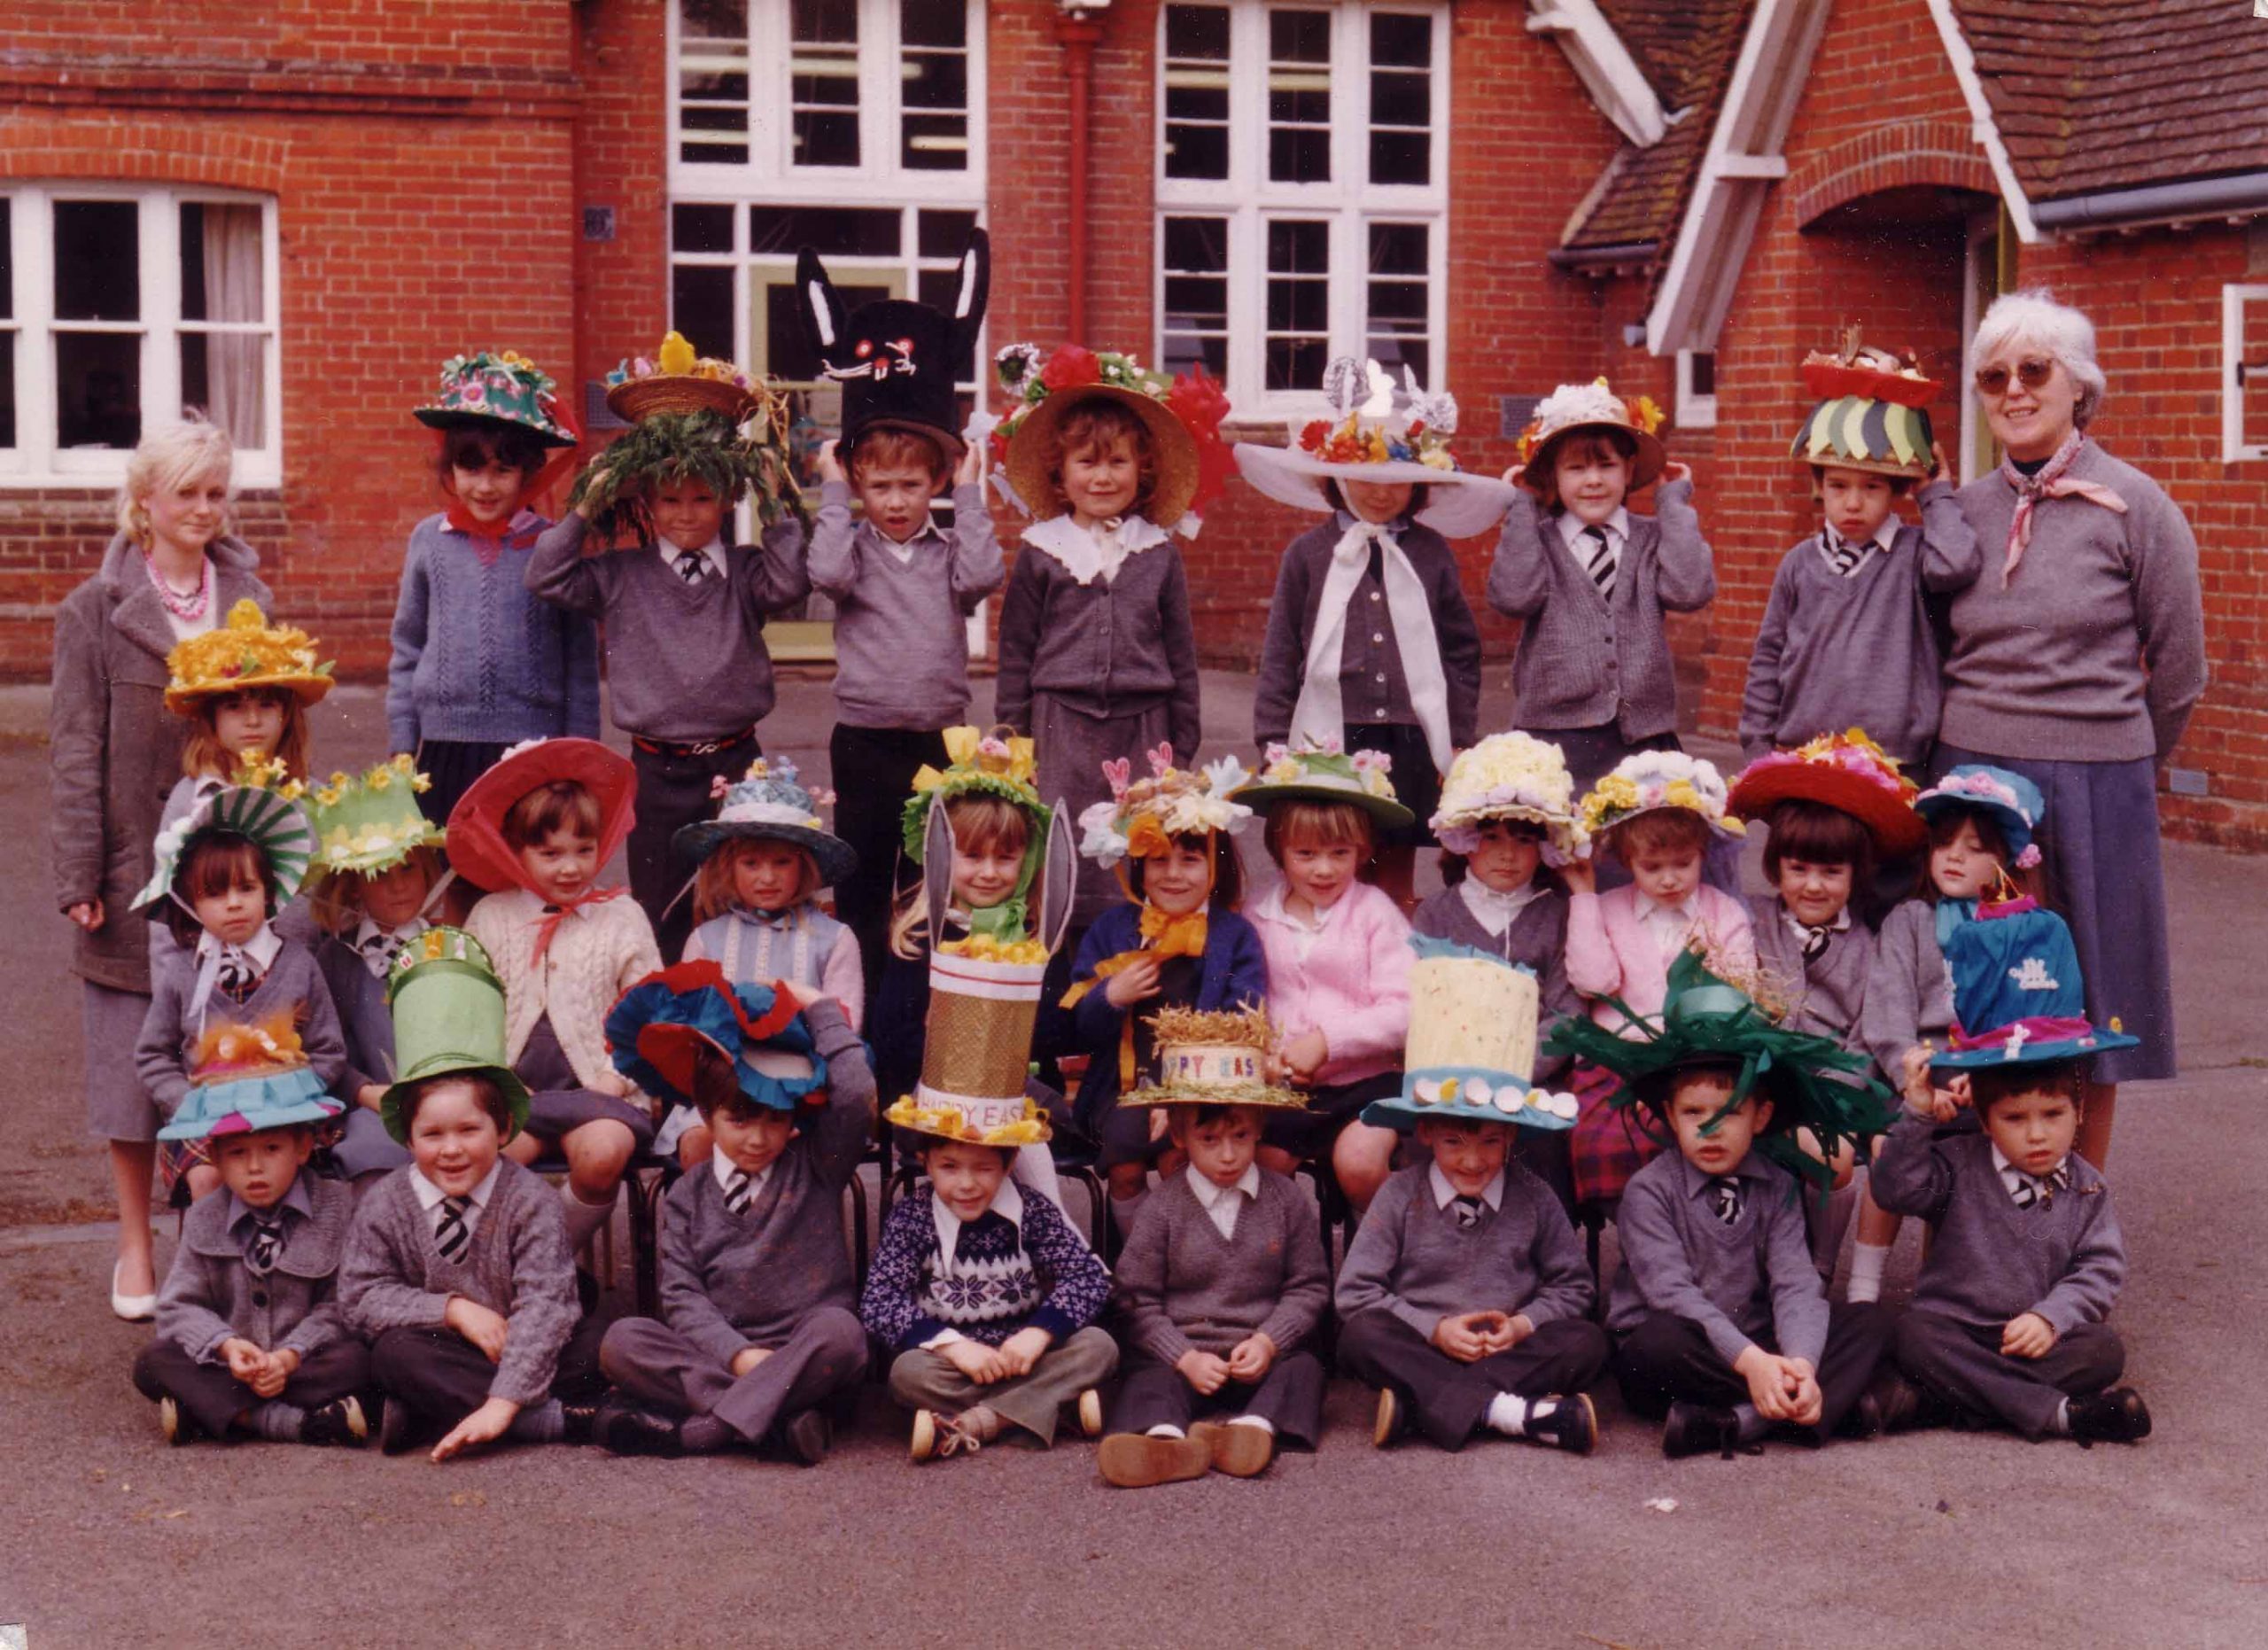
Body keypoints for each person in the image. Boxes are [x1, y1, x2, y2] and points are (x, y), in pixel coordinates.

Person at [1942, 290, 2206, 1169]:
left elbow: (2177, 671)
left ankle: (2073, 1208)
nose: (2014, 390)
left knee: (2092, 1000)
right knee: (1973, 992)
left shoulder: (2138, 507)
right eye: (1993, 376)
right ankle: (1971, 1215)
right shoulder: (1959, 512)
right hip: (1974, 785)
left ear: (2076, 385)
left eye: (2033, 369)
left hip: (2097, 784)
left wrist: (2123, 760)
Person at [51, 415, 272, 1316]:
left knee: (225, 1053)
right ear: (144, 502)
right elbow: (73, 749)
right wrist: (79, 875)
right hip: (132, 872)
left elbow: (274, 727)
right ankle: (136, 1244)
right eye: (186, 491)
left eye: (216, 491)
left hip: (233, 871)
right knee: (129, 1071)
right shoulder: (93, 610)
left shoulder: (248, 593)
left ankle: (211, 1241)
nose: (204, 509)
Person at [1549, 952, 1896, 1457]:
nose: (1710, 1130)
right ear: (1669, 1115)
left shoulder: (1776, 1184)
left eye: (1730, 1113)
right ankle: (1814, 1409)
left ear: (1761, 1116)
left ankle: (1740, 1421)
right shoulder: (1649, 1190)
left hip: (1756, 1345)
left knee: (1872, 1322)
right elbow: (1672, 1294)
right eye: (1694, 1113)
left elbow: (1795, 1282)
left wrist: (1801, 1363)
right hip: (1688, 1349)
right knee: (1656, 1344)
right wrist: (1754, 1364)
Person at [527, 336, 806, 961]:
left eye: (703, 498)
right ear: (645, 505)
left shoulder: (745, 569)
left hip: (736, 764)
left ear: (728, 500)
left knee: (739, 897)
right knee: (661, 905)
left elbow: (792, 582)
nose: (687, 515)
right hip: (654, 769)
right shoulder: (620, 574)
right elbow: (545, 577)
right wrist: (586, 505)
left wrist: (773, 498)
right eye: (671, 500)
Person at [795, 231, 1001, 999]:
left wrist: (973, 493)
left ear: (935, 482)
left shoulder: (950, 551)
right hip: (866, 742)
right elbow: (824, 572)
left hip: (938, 741)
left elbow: (984, 574)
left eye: (911, 486)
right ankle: (862, 1013)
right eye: (879, 486)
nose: (896, 502)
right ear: (860, 483)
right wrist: (834, 493)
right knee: (864, 880)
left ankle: (920, 1015)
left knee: (929, 888)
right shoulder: (856, 549)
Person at [1868, 912, 2150, 1447]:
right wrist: (1918, 1115)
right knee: (1911, 1334)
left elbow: (2100, 1270)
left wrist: (2050, 1318)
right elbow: (1894, 1190)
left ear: (2079, 1109)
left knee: (2103, 1349)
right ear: (1987, 1118)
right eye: (2015, 1120)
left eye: (2053, 1116)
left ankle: (1939, 1402)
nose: (2037, 1136)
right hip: (1953, 1331)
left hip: (2035, 1335)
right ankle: (2061, 1416)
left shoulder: (2086, 1187)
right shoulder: (1957, 1165)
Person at [1239, 357, 1505, 907]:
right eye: (1367, 478)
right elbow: (1282, 648)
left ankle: (1391, 965)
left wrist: (1458, 734)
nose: (1381, 494)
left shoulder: (1430, 554)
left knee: (1394, 867)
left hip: (1408, 734)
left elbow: (1460, 649)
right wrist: (1271, 734)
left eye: (1398, 481)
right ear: (1335, 476)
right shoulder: (1309, 556)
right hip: (1332, 732)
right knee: (1331, 858)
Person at [340, 927, 602, 1459]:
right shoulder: (387, 1202)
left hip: (517, 1336)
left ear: (503, 1129)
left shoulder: (530, 1199)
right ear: (407, 1138)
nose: (452, 1150)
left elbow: (547, 1304)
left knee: (598, 1340)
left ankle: (440, 1409)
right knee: (389, 1354)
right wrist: (454, 1310)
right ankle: (549, 1420)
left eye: (469, 1130)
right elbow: (358, 1297)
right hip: (437, 1342)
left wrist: (503, 1399)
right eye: (432, 1135)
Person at [594, 965, 874, 1461]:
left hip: (804, 1347)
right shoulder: (687, 1196)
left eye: (774, 1120)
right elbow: (682, 1297)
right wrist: (739, 1356)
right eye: (740, 1120)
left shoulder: (817, 1167)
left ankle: (704, 1432)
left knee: (842, 1334)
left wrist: (817, 1007)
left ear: (794, 1119)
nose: (758, 1138)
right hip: (724, 1354)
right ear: (705, 1115)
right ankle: (778, 1421)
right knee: (623, 1341)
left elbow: (853, 1094)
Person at [991, 342, 1226, 929]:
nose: (1103, 477)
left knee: (1137, 842)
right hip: (1060, 723)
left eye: (1118, 463)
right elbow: (1017, 652)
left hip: (1144, 723)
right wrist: (1015, 741)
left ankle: (1136, 963)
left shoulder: (1158, 552)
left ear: (1141, 471)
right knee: (1066, 844)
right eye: (1087, 464)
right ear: (1061, 474)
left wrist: (1183, 742)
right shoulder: (1044, 551)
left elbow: (1181, 655)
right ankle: (1063, 967)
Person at [1333, 947, 1604, 1455]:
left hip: (1509, 1346)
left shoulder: (1534, 1196)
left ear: (1512, 1137)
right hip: (1425, 1343)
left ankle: (1427, 1405)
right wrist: (1432, 1330)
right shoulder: (1398, 1195)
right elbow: (1355, 1293)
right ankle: (1511, 1413)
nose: (1473, 1162)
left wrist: (1523, 1323)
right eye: (1455, 1142)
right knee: (1361, 1336)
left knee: (1586, 1341)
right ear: (1427, 1133)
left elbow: (1574, 1286)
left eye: (1489, 1142)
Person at [451, 738, 664, 1264]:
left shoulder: (622, 916)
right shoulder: (492, 916)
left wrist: (620, 1077)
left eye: (583, 850)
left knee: (602, 1155)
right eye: (550, 854)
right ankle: (507, 1274)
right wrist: (494, 1078)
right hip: (515, 1096)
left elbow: (653, 1014)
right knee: (487, 1162)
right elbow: (467, 1014)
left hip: (600, 1092)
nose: (570, 868)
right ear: (514, 849)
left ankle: (551, 1270)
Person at [1098, 1008, 1328, 1487]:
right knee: (1148, 1378)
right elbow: (1134, 1298)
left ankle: (1251, 1431)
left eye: (1240, 1136)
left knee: (1304, 1367)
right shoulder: (1163, 1206)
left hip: (1258, 1352)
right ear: (1180, 1138)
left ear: (1259, 1128)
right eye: (1209, 1139)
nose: (1228, 1155)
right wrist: (1182, 1356)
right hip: (1185, 1354)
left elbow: (1308, 1286)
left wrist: (1268, 1342)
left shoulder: (1286, 1199)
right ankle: (1163, 1442)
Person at [1727, 731, 1929, 1275]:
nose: (1813, 886)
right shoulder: (1752, 921)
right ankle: (1740, 1264)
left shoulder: (1869, 946)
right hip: (1752, 1078)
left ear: (1855, 876)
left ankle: (1816, 1268)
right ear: (1776, 870)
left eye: (1831, 873)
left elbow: (1867, 1032)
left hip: (1830, 1089)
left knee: (1831, 1156)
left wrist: (1832, 1096)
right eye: (1799, 870)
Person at [1851, 763, 2045, 1304]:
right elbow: (1888, 1016)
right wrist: (1918, 1083)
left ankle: (1941, 1289)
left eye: (1975, 847)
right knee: (1893, 1147)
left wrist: (1985, 1082)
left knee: (1973, 1163)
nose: (1955, 856)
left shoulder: (2019, 929)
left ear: (2004, 860)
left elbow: (2022, 1017)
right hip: (1913, 1074)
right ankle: (1863, 1286)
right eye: (1944, 844)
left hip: (1985, 1081)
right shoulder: (1909, 921)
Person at [1739, 340, 1979, 772]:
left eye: (1871, 487)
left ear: (1899, 489)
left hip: (1896, 759)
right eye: (1838, 486)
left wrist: (1936, 494)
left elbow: (1957, 564)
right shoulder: (1798, 563)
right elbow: (1769, 655)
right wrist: (1759, 744)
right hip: (1804, 753)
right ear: (1819, 487)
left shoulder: (1916, 555)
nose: (1853, 503)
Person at [130, 1019, 366, 1447]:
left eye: (271, 1150)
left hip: (305, 1360)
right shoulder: (206, 1216)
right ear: (215, 1158)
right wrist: (226, 1346)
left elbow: (343, 1304)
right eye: (237, 1154)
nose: (255, 1168)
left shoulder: (338, 1206)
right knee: (153, 1362)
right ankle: (291, 1423)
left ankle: (214, 1413)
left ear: (302, 1147)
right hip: (232, 1365)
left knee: (362, 1360)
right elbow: (178, 1307)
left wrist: (290, 1355)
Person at [861, 1074, 1116, 1461]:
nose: (966, 1184)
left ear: (1010, 1162)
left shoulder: (1033, 1210)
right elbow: (879, 1301)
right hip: (956, 1365)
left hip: (1026, 1357)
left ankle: (978, 1422)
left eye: (983, 1168)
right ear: (925, 1160)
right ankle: (1049, 1408)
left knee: (1099, 1346)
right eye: (949, 1166)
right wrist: (955, 1347)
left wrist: (1038, 1334)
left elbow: (1088, 1277)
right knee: (908, 1373)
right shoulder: (912, 1217)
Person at [390, 349, 598, 824]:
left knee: (524, 877)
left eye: (502, 470)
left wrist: (579, 753)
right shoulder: (428, 541)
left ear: (528, 472)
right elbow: (406, 648)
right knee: (451, 876)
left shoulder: (552, 544)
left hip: (531, 748)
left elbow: (580, 663)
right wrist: (403, 742)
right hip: (442, 749)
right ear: (449, 471)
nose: (485, 486)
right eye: (471, 468)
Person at [1063, 747, 1265, 1234]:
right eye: (1158, 861)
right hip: (1122, 1088)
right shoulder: (1114, 930)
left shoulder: (1234, 935)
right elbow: (1075, 1023)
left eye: (1190, 860)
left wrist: (1176, 1095)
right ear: (1137, 867)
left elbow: (1244, 1016)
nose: (1173, 874)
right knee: (1128, 1162)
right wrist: (1110, 995)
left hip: (1207, 1086)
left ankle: (1193, 1263)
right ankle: (1138, 1256)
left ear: (1214, 869)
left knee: (1184, 1159)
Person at [873, 727, 1068, 1208]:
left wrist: (1007, 1024)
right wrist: (945, 1035)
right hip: (931, 1106)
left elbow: (1060, 1028)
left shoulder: (1034, 938)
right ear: (943, 855)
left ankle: (1044, 1245)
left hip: (1024, 1099)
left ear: (1027, 862)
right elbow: (890, 1038)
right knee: (979, 1131)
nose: (988, 872)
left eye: (1006, 858)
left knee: (1009, 1118)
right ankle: (1057, 1244)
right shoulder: (921, 938)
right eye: (972, 855)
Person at [1486, 377, 1710, 796]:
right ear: (1552, 476)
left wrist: (1674, 504)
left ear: (1628, 471)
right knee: (1564, 854)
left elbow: (1690, 589)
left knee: (1631, 854)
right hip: (1555, 736)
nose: (1593, 480)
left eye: (1606, 466)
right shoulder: (1539, 541)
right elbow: (1514, 596)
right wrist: (1521, 509)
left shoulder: (1652, 538)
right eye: (1576, 468)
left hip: (1642, 736)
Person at [132, 780, 346, 1206]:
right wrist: (188, 1103)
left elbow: (330, 1049)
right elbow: (153, 1056)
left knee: (302, 1179)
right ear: (190, 903)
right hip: (208, 1115)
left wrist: (296, 1095)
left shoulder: (299, 964)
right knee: (208, 1180)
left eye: (246, 889)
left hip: (289, 1116)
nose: (233, 904)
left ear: (268, 893)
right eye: (214, 893)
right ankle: (208, 1269)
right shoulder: (181, 973)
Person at [1561, 752, 1754, 1208]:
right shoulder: (1607, 907)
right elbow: (1593, 983)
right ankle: (1638, 1241)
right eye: (1652, 867)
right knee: (1609, 1143)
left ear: (1703, 855)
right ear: (1628, 861)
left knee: (1697, 1135)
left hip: (1698, 1057)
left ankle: (1692, 1236)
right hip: (1620, 1057)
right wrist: (1584, 897)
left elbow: (1738, 991)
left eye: (1682, 864)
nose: (1669, 879)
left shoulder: (1721, 913)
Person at [1232, 737, 1415, 1210]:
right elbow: (1250, 999)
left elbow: (1405, 1009)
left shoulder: (1376, 913)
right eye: (1306, 854)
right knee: (1262, 1165)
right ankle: (1285, 1265)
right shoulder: (1258, 916)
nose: (1323, 869)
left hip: (1368, 1083)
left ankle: (1379, 1259)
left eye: (1339, 853)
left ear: (1362, 851)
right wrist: (1270, 1054)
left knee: (1358, 1163)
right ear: (1279, 851)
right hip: (1285, 1087)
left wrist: (1327, 1042)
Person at [1413, 732, 1588, 1210]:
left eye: (1524, 840)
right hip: (1451, 1075)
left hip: (1532, 1079)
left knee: (1543, 1143)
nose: (1507, 854)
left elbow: (1567, 1014)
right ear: (1465, 840)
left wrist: (1515, 1073)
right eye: (1490, 838)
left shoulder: (1557, 913)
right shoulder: (1436, 913)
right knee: (1428, 1137)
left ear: (1546, 847)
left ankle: (1544, 1259)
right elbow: (1428, 1004)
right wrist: (1464, 1072)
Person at [665, 756, 861, 1168]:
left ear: (804, 865)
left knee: (801, 1144)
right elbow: (687, 1024)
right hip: (722, 1086)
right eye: (751, 863)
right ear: (727, 867)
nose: (767, 877)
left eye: (781, 863)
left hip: (805, 1084)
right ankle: (714, 1228)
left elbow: (845, 1025)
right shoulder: (706, 939)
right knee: (699, 1143)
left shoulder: (834, 938)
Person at [300, 756, 455, 1185]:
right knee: (370, 1152)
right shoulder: (338, 958)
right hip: (373, 1104)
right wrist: (366, 1092)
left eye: (408, 868)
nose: (399, 885)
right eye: (380, 874)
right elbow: (324, 1047)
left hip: (451, 1100)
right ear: (353, 883)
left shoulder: (450, 945)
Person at [156, 596, 330, 836]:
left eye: (267, 705)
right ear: (212, 719)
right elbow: (167, 871)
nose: (253, 721)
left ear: (287, 715)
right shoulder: (190, 798)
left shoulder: (314, 798)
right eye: (234, 707)